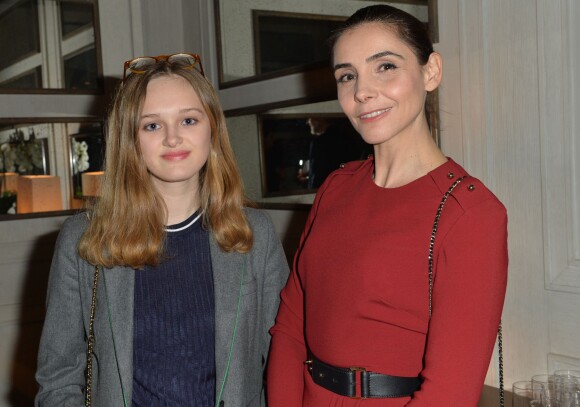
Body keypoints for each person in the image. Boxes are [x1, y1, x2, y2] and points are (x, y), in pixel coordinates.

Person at [267, 5, 508, 406]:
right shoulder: (336, 188)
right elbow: (291, 326)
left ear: (430, 72)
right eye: (348, 75)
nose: (362, 91)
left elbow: (450, 393)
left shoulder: (470, 213)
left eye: (385, 67)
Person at [35, 53, 289, 407]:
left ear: (212, 128)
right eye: (151, 125)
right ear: (130, 139)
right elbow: (58, 374)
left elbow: (284, 362)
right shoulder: (86, 237)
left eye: (188, 120)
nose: (173, 138)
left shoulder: (254, 234)